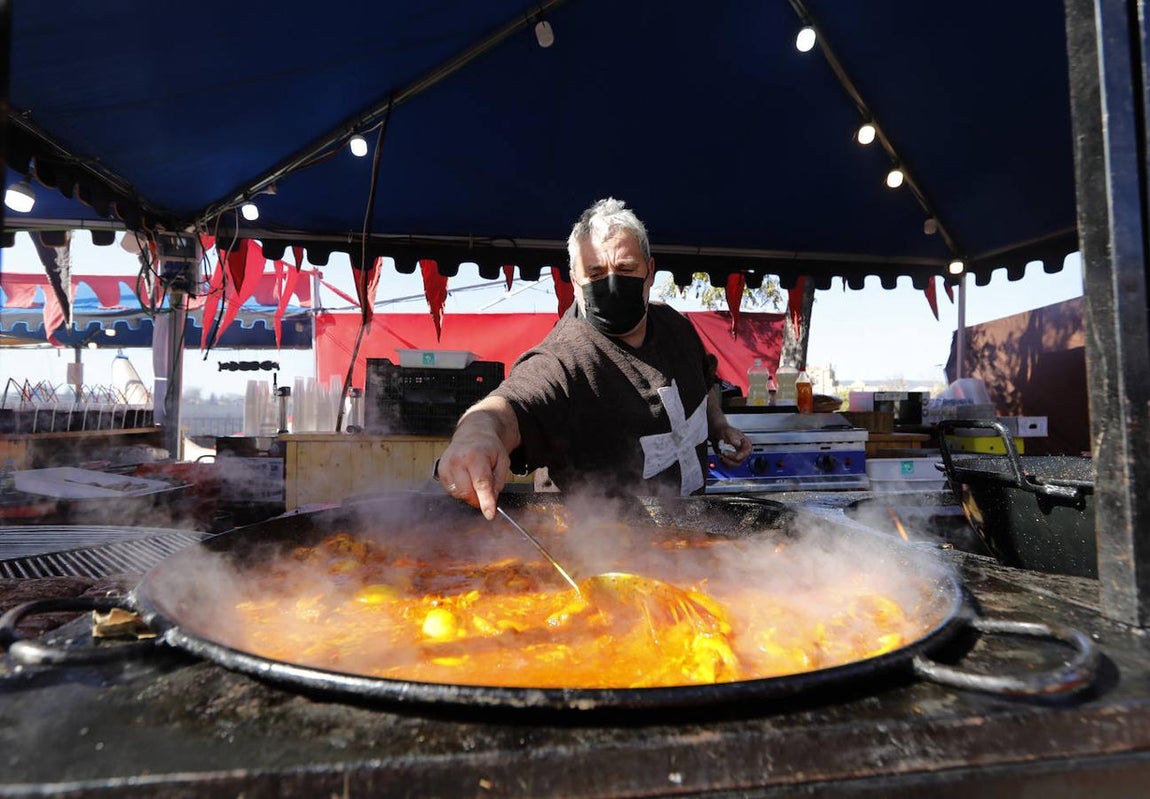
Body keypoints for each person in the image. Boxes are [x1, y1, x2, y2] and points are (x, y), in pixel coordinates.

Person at [436, 197, 752, 519]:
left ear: (650, 271)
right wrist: (478, 433)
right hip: (597, 549)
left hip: (696, 534)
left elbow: (702, 381)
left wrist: (718, 425)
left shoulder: (677, 326)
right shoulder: (565, 357)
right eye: (595, 273)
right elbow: (514, 402)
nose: (612, 283)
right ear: (575, 281)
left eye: (626, 268)